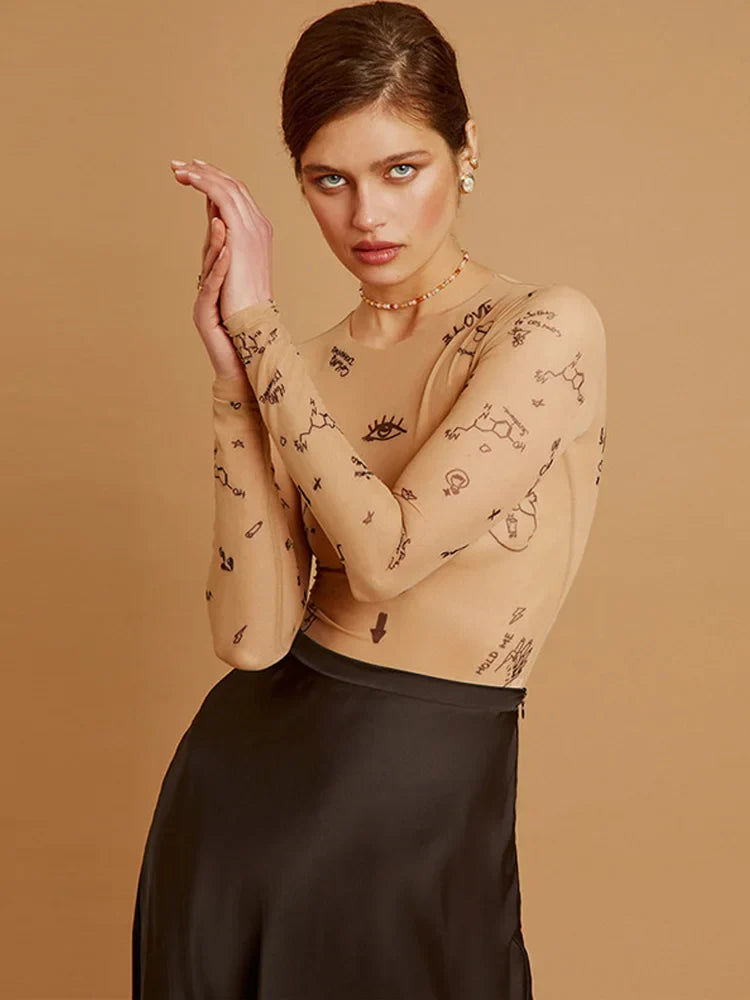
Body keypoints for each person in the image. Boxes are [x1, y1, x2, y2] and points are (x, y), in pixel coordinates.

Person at [131, 2, 608, 997]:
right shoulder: (297, 368)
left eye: (401, 169)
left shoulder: (542, 330)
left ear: (465, 152)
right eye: (329, 180)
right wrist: (234, 383)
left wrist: (258, 332)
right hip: (241, 804)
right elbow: (252, 639)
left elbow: (388, 558)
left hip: (418, 810)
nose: (367, 217)